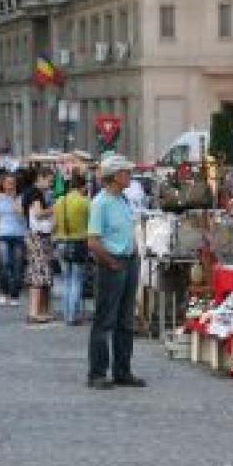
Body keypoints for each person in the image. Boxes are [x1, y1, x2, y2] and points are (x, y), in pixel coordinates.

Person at [86, 155, 145, 390]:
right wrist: (110, 261)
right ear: (115, 176)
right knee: (105, 320)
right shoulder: (101, 202)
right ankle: (98, 373)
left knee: (125, 320)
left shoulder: (122, 199)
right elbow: (92, 241)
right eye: (126, 172)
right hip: (114, 263)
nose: (129, 176)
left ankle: (123, 370)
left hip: (128, 261)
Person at [54, 172, 91, 325]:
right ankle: (72, 315)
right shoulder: (84, 202)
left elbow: (55, 223)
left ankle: (66, 313)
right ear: (82, 187)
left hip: (61, 242)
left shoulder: (59, 201)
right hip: (78, 242)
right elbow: (91, 224)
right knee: (76, 280)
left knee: (66, 280)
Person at [23, 167, 56, 323]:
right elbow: (38, 213)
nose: (50, 184)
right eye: (49, 180)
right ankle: (34, 312)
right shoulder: (35, 193)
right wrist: (54, 209)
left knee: (37, 273)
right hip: (38, 237)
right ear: (41, 177)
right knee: (38, 274)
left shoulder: (28, 192)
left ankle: (38, 311)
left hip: (32, 235)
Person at [0, 171, 26, 306]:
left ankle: (14, 295)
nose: (10, 185)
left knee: (18, 266)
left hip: (19, 235)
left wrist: (17, 206)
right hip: (3, 235)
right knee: (5, 265)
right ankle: (4, 292)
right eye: (7, 183)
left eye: (12, 183)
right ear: (3, 184)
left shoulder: (21, 198)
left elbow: (25, 218)